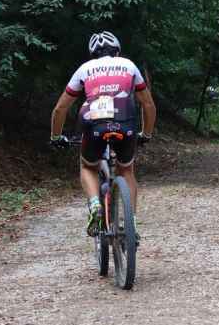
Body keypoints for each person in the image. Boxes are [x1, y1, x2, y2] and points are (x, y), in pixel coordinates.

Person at [50, 31, 156, 235]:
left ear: (92, 53)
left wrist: (55, 137)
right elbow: (148, 104)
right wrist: (147, 133)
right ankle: (130, 223)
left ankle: (95, 205)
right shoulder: (129, 65)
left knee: (87, 166)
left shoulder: (85, 69)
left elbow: (60, 109)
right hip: (126, 123)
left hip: (94, 124)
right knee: (127, 171)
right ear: (117, 50)